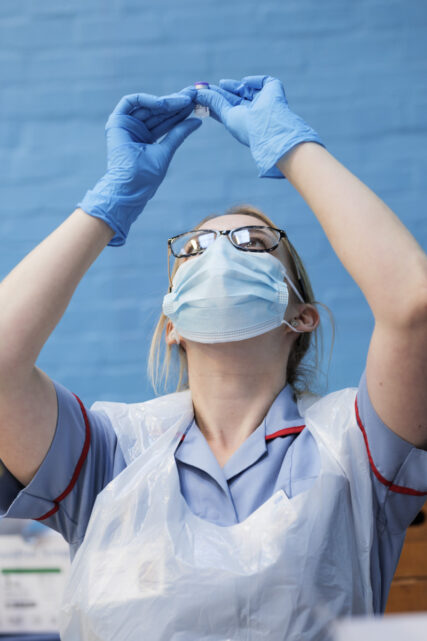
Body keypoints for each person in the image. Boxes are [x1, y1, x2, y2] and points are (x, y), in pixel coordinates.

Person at [0, 76, 426, 641]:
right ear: (173, 322)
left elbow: (413, 306)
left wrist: (292, 147)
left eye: (253, 244)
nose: (220, 254)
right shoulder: (110, 454)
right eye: (196, 250)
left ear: (301, 316)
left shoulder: (354, 444)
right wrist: (109, 202)